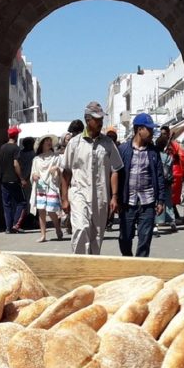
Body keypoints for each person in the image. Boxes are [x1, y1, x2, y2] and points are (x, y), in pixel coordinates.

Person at [60, 102, 123, 254]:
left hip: (101, 197)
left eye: (102, 119)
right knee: (81, 229)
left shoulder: (108, 144)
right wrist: (64, 199)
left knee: (97, 235)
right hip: (79, 193)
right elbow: (66, 172)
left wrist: (114, 196)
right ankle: (79, 267)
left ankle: (92, 268)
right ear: (88, 120)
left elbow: (115, 170)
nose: (100, 123)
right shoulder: (74, 144)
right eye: (97, 119)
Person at [116, 113, 167, 258]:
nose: (152, 133)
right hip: (128, 202)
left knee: (145, 239)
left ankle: (140, 266)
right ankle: (128, 262)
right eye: (149, 129)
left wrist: (161, 200)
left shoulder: (153, 152)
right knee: (125, 238)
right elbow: (117, 176)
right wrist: (117, 198)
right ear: (139, 129)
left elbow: (159, 176)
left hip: (147, 202)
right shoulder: (123, 150)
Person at [31, 135, 63, 242]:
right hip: (40, 187)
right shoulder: (36, 159)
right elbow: (33, 172)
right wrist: (34, 176)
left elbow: (61, 170)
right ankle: (43, 235)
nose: (49, 143)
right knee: (41, 211)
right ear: (42, 144)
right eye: (46, 141)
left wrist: (57, 169)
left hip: (51, 186)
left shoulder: (56, 157)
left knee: (51, 210)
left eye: (50, 141)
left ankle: (58, 229)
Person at [0, 125, 27, 233]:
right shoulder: (16, 148)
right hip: (14, 179)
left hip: (4, 180)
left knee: (7, 204)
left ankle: (8, 228)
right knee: (22, 202)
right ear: (17, 135)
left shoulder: (2, 147)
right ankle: (16, 224)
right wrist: (22, 178)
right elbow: (16, 164)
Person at [159, 125, 184, 222]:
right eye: (162, 134)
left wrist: (183, 172)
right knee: (168, 197)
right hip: (167, 172)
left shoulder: (174, 145)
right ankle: (172, 217)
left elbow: (182, 157)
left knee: (171, 198)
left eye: (165, 134)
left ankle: (174, 217)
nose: (163, 136)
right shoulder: (162, 144)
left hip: (173, 172)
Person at [154, 133, 177, 232]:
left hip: (156, 181)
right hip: (166, 181)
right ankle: (172, 221)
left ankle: (155, 224)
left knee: (155, 202)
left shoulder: (154, 155)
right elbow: (170, 169)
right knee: (168, 202)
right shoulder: (168, 157)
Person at [19, 135, 37, 225]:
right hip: (29, 180)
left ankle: (25, 219)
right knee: (31, 200)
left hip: (23, 179)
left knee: (26, 200)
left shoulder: (20, 153)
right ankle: (30, 220)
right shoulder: (33, 154)